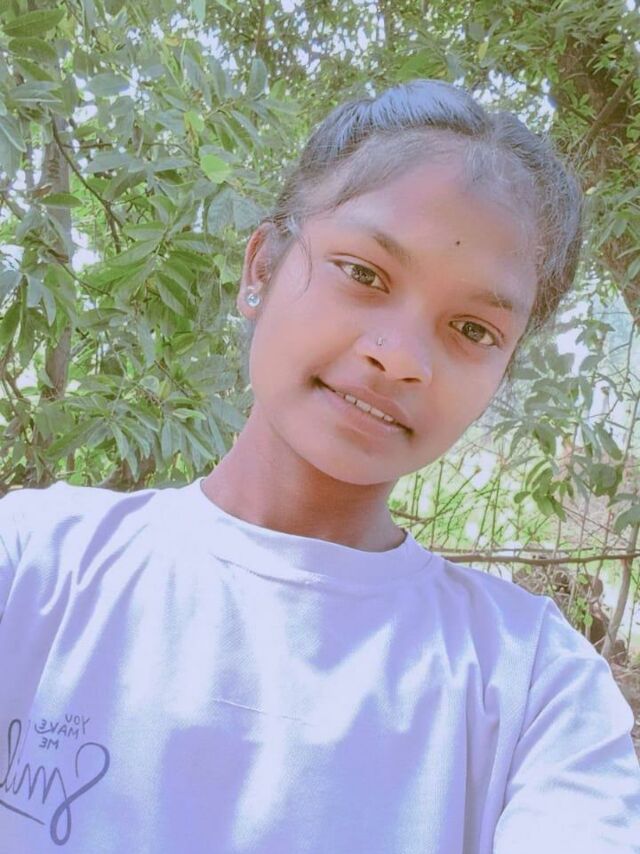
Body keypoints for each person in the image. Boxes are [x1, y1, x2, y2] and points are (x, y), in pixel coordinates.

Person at [0, 79, 638, 854]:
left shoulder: (537, 685)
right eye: (364, 274)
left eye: (473, 329)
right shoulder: (37, 567)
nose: (398, 357)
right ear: (261, 268)